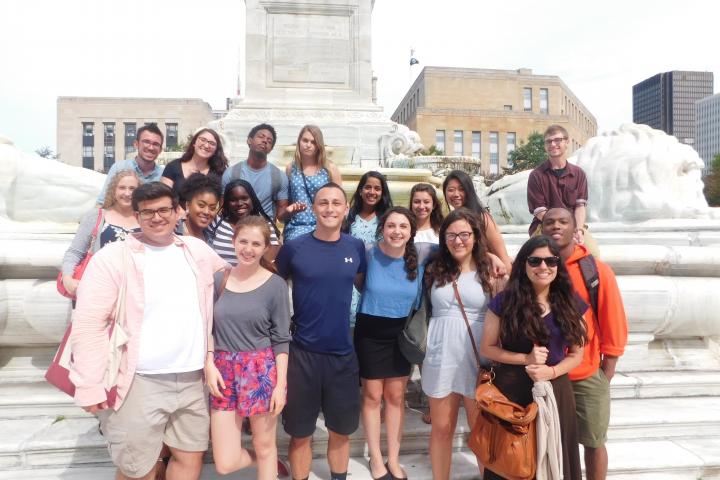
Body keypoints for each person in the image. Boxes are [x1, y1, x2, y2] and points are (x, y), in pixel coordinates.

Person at [69, 182, 228, 480]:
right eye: (148, 212)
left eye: (164, 210)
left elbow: (233, 278)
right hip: (140, 382)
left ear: (178, 211)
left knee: (189, 460)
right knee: (137, 469)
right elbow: (89, 323)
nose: (157, 217)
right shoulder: (113, 257)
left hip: (193, 379)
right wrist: (89, 384)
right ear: (137, 216)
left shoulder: (196, 250)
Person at [275, 183, 366, 480]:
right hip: (303, 355)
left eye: (336, 203)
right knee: (300, 434)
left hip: (342, 354)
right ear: (313, 208)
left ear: (345, 209)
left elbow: (363, 283)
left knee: (341, 431)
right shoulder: (294, 248)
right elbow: (274, 287)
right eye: (323, 203)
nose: (329, 208)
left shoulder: (355, 247)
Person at [480, 235, 587, 480]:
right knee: (511, 462)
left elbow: (577, 354)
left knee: (554, 462)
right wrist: (525, 359)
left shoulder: (570, 303)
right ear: (524, 264)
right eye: (535, 261)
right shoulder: (504, 302)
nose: (543, 267)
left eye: (551, 261)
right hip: (512, 394)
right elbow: (487, 348)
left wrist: (550, 372)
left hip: (555, 391)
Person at [541, 207, 627, 480]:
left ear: (574, 228)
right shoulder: (536, 266)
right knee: (550, 442)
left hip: (585, 373)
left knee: (593, 441)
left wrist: (606, 368)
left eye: (563, 221)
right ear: (541, 229)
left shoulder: (595, 270)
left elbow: (612, 318)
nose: (556, 226)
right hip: (545, 374)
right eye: (550, 222)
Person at [205, 215, 291, 479]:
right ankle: (263, 460)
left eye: (256, 244)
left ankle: (267, 461)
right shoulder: (220, 279)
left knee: (265, 445)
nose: (248, 249)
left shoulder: (275, 285)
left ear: (266, 248)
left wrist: (280, 385)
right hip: (223, 370)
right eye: (243, 241)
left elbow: (281, 339)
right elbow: (208, 327)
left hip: (260, 369)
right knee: (225, 463)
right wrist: (209, 363)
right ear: (233, 241)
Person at [421, 208, 503, 480]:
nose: (458, 240)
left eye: (465, 234)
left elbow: (504, 313)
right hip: (441, 354)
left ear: (476, 237)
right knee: (442, 428)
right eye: (451, 235)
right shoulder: (433, 269)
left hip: (478, 357)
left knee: (480, 429)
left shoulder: (490, 271)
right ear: (443, 238)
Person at [355, 207, 432, 480]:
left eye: (403, 227)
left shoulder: (422, 253)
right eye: (391, 226)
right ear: (382, 228)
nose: (396, 231)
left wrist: (495, 257)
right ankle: (376, 459)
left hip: (401, 334)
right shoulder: (367, 251)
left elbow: (459, 245)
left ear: (411, 232)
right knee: (373, 397)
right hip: (370, 331)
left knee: (395, 397)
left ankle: (394, 459)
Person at [60, 169, 141, 297]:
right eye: (122, 188)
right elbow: (75, 252)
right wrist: (67, 278)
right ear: (114, 190)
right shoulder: (96, 216)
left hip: (134, 292)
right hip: (98, 290)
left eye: (132, 189)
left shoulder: (145, 219)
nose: (127, 193)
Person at [527, 125, 595, 253]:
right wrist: (561, 228)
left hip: (573, 226)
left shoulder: (579, 173)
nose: (553, 144)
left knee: (593, 253)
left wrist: (578, 230)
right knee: (538, 254)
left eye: (557, 140)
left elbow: (580, 207)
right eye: (548, 141)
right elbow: (540, 212)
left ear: (567, 142)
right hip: (544, 226)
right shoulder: (536, 175)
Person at [344, 171, 394, 329]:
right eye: (368, 187)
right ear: (360, 190)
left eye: (377, 189)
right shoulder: (349, 217)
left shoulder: (387, 218)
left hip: (377, 274)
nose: (372, 192)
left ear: (382, 192)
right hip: (351, 277)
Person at [281, 125, 342, 241]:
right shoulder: (291, 168)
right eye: (305, 140)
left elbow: (340, 201)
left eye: (313, 142)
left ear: (319, 145)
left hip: (324, 224)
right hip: (297, 226)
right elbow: (288, 201)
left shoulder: (329, 168)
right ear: (299, 141)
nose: (308, 145)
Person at [442, 170, 512, 271]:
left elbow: (503, 257)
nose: (456, 194)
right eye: (451, 190)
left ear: (469, 191)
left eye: (461, 189)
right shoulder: (450, 221)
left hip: (485, 277)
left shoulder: (483, 218)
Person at [222, 123, 289, 222]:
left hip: (265, 229)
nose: (265, 140)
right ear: (249, 140)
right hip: (235, 227)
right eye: (261, 136)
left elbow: (281, 216)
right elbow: (224, 209)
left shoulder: (279, 176)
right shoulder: (231, 173)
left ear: (271, 149)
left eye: (269, 141)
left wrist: (291, 210)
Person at [209, 179, 281, 264]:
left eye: (244, 198)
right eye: (233, 200)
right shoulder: (216, 223)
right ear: (227, 203)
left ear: (252, 199)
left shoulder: (265, 225)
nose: (239, 203)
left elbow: (267, 262)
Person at [96, 124, 165, 204]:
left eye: (156, 144)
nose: (151, 147)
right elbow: (102, 202)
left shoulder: (164, 174)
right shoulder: (119, 167)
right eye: (146, 142)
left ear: (160, 150)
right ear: (136, 144)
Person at [161, 128, 228, 195]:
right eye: (203, 140)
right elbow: (164, 196)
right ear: (194, 143)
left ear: (216, 150)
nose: (206, 145)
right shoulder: (172, 167)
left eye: (212, 143)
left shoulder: (219, 171)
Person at [176, 173, 222, 242]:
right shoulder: (173, 230)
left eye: (212, 208)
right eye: (201, 205)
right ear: (188, 204)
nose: (206, 212)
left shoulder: (211, 239)